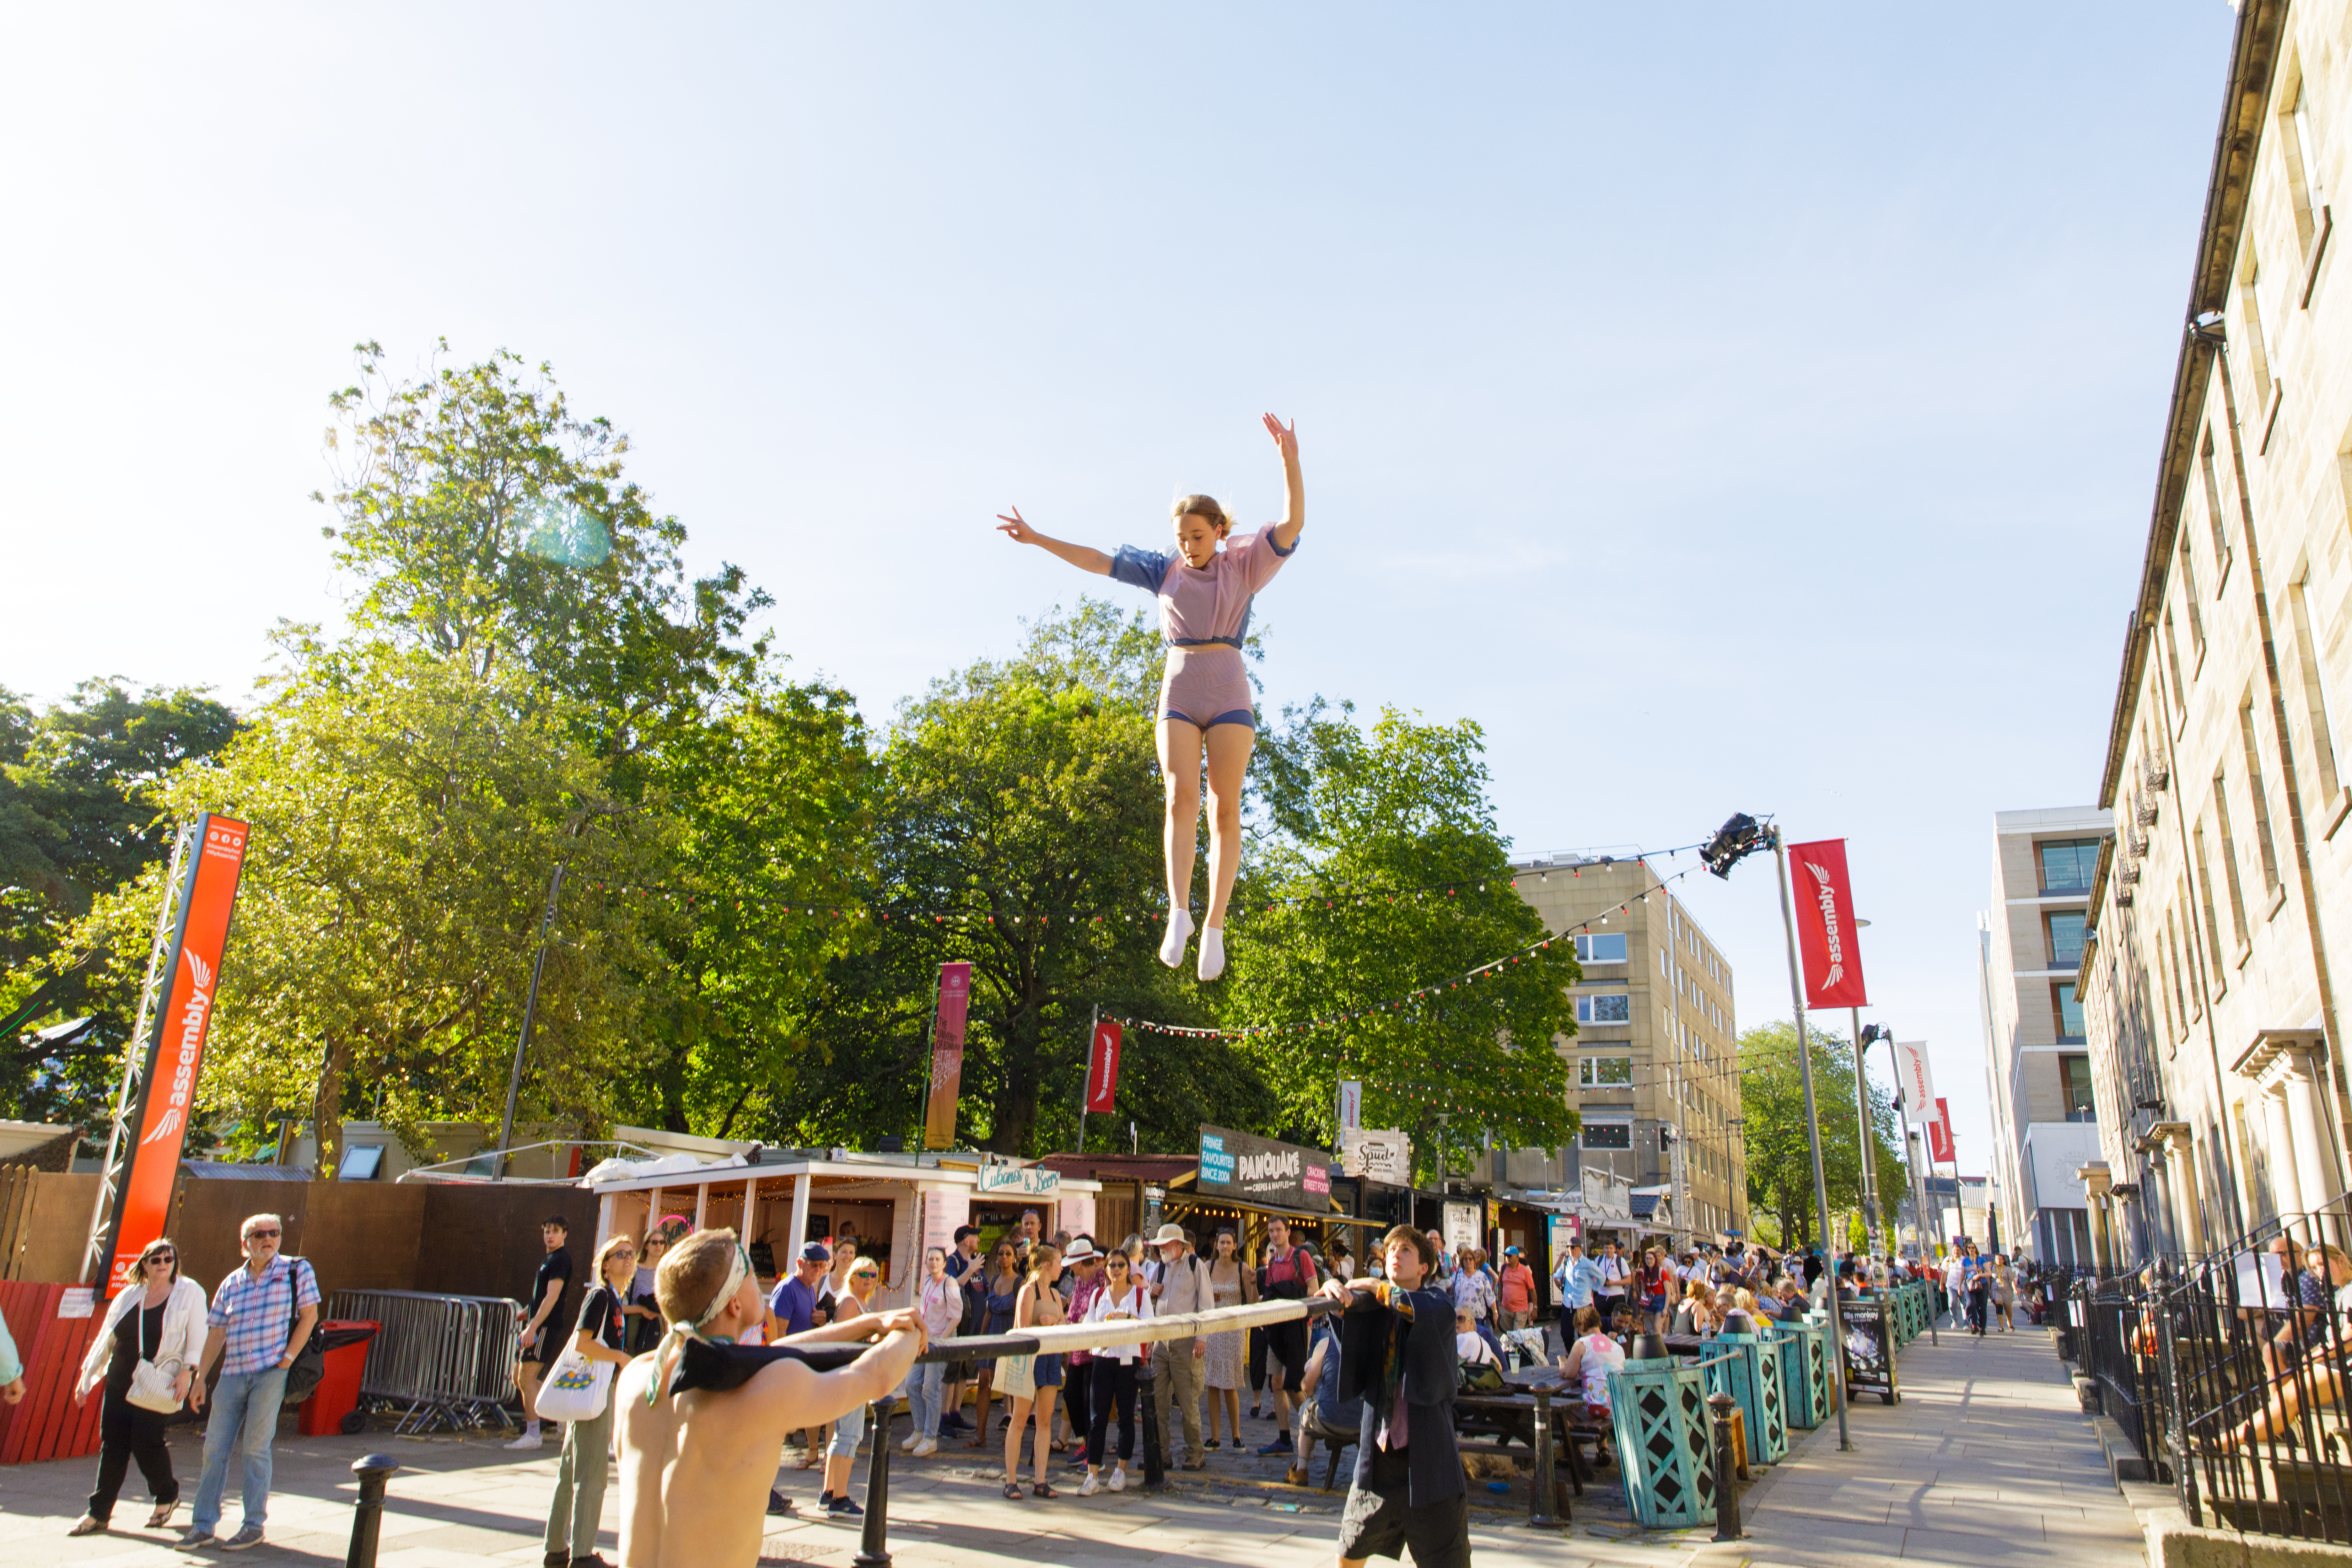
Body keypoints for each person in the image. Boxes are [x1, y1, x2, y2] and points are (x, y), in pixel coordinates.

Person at [995, 413, 1304, 981]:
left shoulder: (1244, 566)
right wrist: (1038, 539)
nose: (1187, 546)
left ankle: (1214, 926)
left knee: (1224, 807)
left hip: (1229, 685)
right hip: (1180, 687)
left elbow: (1292, 523)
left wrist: (1289, 460)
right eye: (1181, 537)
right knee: (1178, 797)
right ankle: (1180, 912)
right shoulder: (1161, 570)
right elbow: (1097, 560)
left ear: (1218, 530)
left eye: (1197, 535)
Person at [614, 1227, 922, 1568]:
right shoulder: (766, 1388)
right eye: (748, 1271)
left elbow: (771, 1352)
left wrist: (867, 1323)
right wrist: (909, 1332)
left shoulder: (638, 1378)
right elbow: (876, 1375)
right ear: (735, 1304)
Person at [1317, 1225, 1468, 1568]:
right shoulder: (1377, 1307)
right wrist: (1334, 1296)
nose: (1395, 1255)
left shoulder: (1438, 1304)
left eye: (1405, 1251)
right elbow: (1350, 1332)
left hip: (1429, 1461)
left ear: (1424, 1268)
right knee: (1349, 1553)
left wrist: (1376, 1286)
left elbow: (1411, 1307)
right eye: (1391, 1250)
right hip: (1380, 1463)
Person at [178, 1212, 319, 1552]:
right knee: (214, 1449)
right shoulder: (232, 1282)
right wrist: (201, 1378)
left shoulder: (296, 1270)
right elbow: (216, 1332)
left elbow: (310, 1316)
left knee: (256, 1448)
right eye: (259, 1234)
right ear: (246, 1244)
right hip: (232, 1374)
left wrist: (286, 1360)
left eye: (274, 1232)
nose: (267, 1238)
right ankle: (203, 1526)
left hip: (271, 1371)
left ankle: (253, 1524)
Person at [70, 1235, 206, 1537]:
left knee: (146, 1442)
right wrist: (87, 1377)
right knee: (113, 1444)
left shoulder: (189, 1292)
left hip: (159, 1379)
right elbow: (107, 1338)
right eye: (155, 1260)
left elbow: (198, 1333)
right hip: (120, 1379)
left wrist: (189, 1372)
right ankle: (99, 1512)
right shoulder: (130, 1294)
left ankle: (166, 1495)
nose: (162, 1264)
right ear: (144, 1264)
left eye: (168, 1259)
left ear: (175, 1262)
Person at [543, 1234, 639, 1568]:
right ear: (606, 1263)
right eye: (620, 1254)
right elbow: (583, 1343)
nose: (628, 1258)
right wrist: (619, 1357)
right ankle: (583, 1555)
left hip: (591, 1391)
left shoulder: (612, 1297)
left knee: (570, 1472)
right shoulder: (600, 1295)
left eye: (631, 1253)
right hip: (595, 1392)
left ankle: (556, 1551)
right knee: (592, 1474)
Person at [1077, 1246, 1155, 1494]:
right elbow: (1088, 1325)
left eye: (1122, 1265)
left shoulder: (1139, 1295)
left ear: (1128, 1269)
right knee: (1097, 1417)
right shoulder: (1099, 1294)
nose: (1117, 1269)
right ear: (1106, 1269)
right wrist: (1103, 1330)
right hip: (1103, 1357)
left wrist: (1127, 1318)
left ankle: (1121, 1470)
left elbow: (1150, 1326)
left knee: (1125, 1416)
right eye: (1113, 1265)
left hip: (1128, 1359)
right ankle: (1092, 1474)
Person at [817, 1255, 886, 1516]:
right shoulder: (849, 1302)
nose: (869, 1279)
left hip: (849, 1374)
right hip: (849, 1374)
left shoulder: (858, 1303)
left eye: (873, 1274)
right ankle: (839, 1498)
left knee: (842, 1433)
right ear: (852, 1277)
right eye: (863, 1274)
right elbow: (844, 1340)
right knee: (851, 1435)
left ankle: (828, 1493)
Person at [1002, 1243, 1067, 1499]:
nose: (1062, 1268)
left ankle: (1040, 1480)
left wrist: (1054, 1322)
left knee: (1044, 1420)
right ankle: (1011, 1480)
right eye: (1059, 1262)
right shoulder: (1028, 1291)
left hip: (1051, 1359)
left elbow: (1063, 1322)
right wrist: (1046, 1326)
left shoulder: (1053, 1293)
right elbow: (1021, 1327)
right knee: (1019, 1419)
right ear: (1047, 1264)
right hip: (1030, 1359)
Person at [1147, 1222, 1210, 1469]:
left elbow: (1206, 1305)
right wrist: (1151, 1292)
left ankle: (1195, 1453)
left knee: (1187, 1402)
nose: (1160, 1249)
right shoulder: (1158, 1268)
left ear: (1177, 1245)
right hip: (1161, 1340)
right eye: (1159, 1246)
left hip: (1186, 1341)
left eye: (1164, 1245)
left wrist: (1202, 1338)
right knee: (1159, 1402)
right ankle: (1162, 1454)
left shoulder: (1196, 1266)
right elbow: (1148, 1304)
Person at [510, 1216, 576, 1451]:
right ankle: (559, 1413)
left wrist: (534, 1326)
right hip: (539, 1321)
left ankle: (533, 1434)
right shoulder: (550, 1258)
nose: (550, 1235)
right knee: (519, 1375)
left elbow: (553, 1296)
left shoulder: (560, 1259)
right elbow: (541, 1295)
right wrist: (528, 1311)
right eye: (547, 1231)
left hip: (546, 1326)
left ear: (564, 1234)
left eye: (556, 1231)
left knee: (526, 1378)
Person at [1282, 1306, 1366, 1488]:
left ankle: (1302, 1469)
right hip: (1362, 1422)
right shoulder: (1368, 1344)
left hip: (1329, 1419)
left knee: (1306, 1409)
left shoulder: (1325, 1344)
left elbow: (1306, 1387)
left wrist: (1311, 1375)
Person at [1256, 1216, 1318, 1456]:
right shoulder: (1273, 1261)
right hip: (1278, 1326)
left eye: (1278, 1230)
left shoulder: (1301, 1257)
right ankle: (1284, 1438)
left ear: (1287, 1231)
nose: (1274, 1234)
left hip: (1298, 1326)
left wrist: (1293, 1299)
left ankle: (1313, 1424)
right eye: (1271, 1231)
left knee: (1293, 1382)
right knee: (1276, 1382)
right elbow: (1270, 1292)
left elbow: (1313, 1289)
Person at [1200, 1228, 1255, 1451]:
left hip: (1233, 1329)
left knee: (1230, 1384)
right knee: (1213, 1384)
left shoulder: (1242, 1268)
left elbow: (1252, 1302)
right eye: (1221, 1243)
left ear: (1235, 1246)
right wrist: (1209, 1298)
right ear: (1216, 1245)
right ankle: (1214, 1438)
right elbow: (1200, 1298)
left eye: (1229, 1243)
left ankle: (1236, 1435)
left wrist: (1252, 1284)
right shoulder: (1208, 1267)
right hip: (1213, 1329)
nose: (1225, 1247)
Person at [966, 1239, 1023, 1448]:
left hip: (1009, 1336)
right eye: (1001, 1254)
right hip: (992, 1333)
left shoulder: (1020, 1283)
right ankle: (980, 1435)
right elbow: (989, 1311)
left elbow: (1022, 1313)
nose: (1004, 1258)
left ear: (1015, 1257)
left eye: (1009, 1254)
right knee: (984, 1384)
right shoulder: (994, 1279)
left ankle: (1016, 1435)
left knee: (1012, 1387)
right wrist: (982, 1339)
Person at [906, 1246, 963, 1457]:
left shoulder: (950, 1283)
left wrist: (941, 1341)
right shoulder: (928, 1282)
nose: (933, 1263)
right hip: (925, 1341)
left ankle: (931, 1437)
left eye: (938, 1259)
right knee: (912, 1384)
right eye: (930, 1259)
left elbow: (956, 1317)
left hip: (941, 1342)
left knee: (931, 1388)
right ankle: (920, 1430)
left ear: (944, 1262)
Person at [1059, 1239, 1103, 1462]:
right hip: (1079, 1346)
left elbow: (1101, 1309)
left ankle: (1093, 1453)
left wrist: (1083, 1321)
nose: (1070, 1267)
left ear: (1079, 1262)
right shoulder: (1079, 1281)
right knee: (1071, 1395)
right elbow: (1073, 1312)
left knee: (1089, 1401)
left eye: (1072, 1263)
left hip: (1095, 1348)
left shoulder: (1101, 1276)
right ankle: (1085, 1443)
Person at [937, 1225, 984, 1436]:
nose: (978, 1240)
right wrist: (971, 1269)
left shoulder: (975, 1263)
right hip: (959, 1323)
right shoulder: (954, 1261)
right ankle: (944, 1417)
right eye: (976, 1236)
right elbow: (951, 1286)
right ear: (966, 1240)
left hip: (974, 1324)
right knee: (952, 1370)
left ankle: (956, 1413)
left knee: (966, 1369)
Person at [626, 1223, 680, 1356]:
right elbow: (620, 1304)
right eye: (654, 1242)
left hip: (658, 1323)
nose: (659, 1246)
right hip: (636, 1320)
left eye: (662, 1243)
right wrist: (642, 1310)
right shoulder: (634, 1270)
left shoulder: (666, 1272)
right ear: (646, 1246)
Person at [1496, 1246, 1536, 1333]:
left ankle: (1517, 1347)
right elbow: (1501, 1286)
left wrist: (1535, 1308)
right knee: (1509, 1335)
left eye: (1510, 1256)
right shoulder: (1504, 1268)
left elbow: (1533, 1290)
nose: (1507, 1258)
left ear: (1517, 1258)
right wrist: (1499, 1304)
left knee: (1517, 1336)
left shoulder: (1525, 1271)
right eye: (1506, 1256)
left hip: (1521, 1310)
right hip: (1506, 1309)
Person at [1594, 1239, 1630, 1326]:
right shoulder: (1599, 1259)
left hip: (1617, 1296)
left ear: (1615, 1249)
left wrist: (1614, 1283)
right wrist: (1599, 1282)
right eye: (1607, 1248)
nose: (1609, 1250)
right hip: (1602, 1295)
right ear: (1604, 1249)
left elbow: (1629, 1280)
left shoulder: (1621, 1261)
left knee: (1617, 1322)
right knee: (1601, 1322)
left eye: (1611, 1248)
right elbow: (1594, 1276)